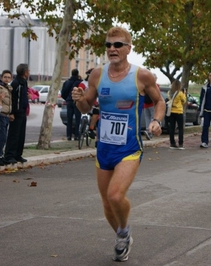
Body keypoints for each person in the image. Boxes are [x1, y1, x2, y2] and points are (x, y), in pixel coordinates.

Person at [71, 26, 165, 262]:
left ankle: (123, 231)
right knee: (106, 203)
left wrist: (156, 120)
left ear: (128, 48)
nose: (112, 49)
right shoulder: (97, 74)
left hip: (129, 148)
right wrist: (80, 101)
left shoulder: (141, 75)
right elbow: (86, 107)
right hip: (104, 148)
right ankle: (123, 234)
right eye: (108, 45)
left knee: (115, 195)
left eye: (117, 45)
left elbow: (159, 101)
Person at [3, 64, 30, 165]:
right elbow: (14, 100)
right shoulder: (17, 83)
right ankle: (9, 155)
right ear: (24, 72)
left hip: (22, 111)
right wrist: (13, 112)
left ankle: (18, 154)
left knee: (21, 134)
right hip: (17, 112)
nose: (29, 72)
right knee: (14, 134)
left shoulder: (24, 82)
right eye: (28, 70)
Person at [0, 70, 14, 166]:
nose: (7, 79)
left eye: (9, 77)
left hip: (6, 115)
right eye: (5, 77)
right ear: (1, 77)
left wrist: (10, 113)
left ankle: (1, 155)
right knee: (1, 136)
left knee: (4, 136)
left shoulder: (9, 88)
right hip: (0, 114)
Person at [62, 69, 82, 140]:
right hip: (77, 101)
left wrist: (67, 98)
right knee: (77, 119)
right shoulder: (79, 82)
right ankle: (76, 135)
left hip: (69, 101)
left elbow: (63, 93)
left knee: (69, 119)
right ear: (77, 74)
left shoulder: (67, 82)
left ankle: (69, 136)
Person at [78, 68, 98, 139]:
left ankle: (91, 129)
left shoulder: (97, 83)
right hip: (85, 103)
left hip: (95, 104)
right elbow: (79, 91)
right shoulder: (83, 83)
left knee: (96, 112)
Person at [168, 79, 186, 149]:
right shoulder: (180, 93)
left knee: (172, 128)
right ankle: (180, 144)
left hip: (171, 112)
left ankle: (172, 143)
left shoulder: (169, 92)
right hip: (178, 111)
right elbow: (184, 101)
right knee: (180, 128)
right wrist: (184, 93)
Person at [143, 73, 159, 140]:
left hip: (145, 104)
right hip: (152, 104)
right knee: (153, 118)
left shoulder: (145, 85)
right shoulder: (156, 86)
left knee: (147, 118)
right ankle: (150, 132)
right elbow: (158, 97)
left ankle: (147, 130)